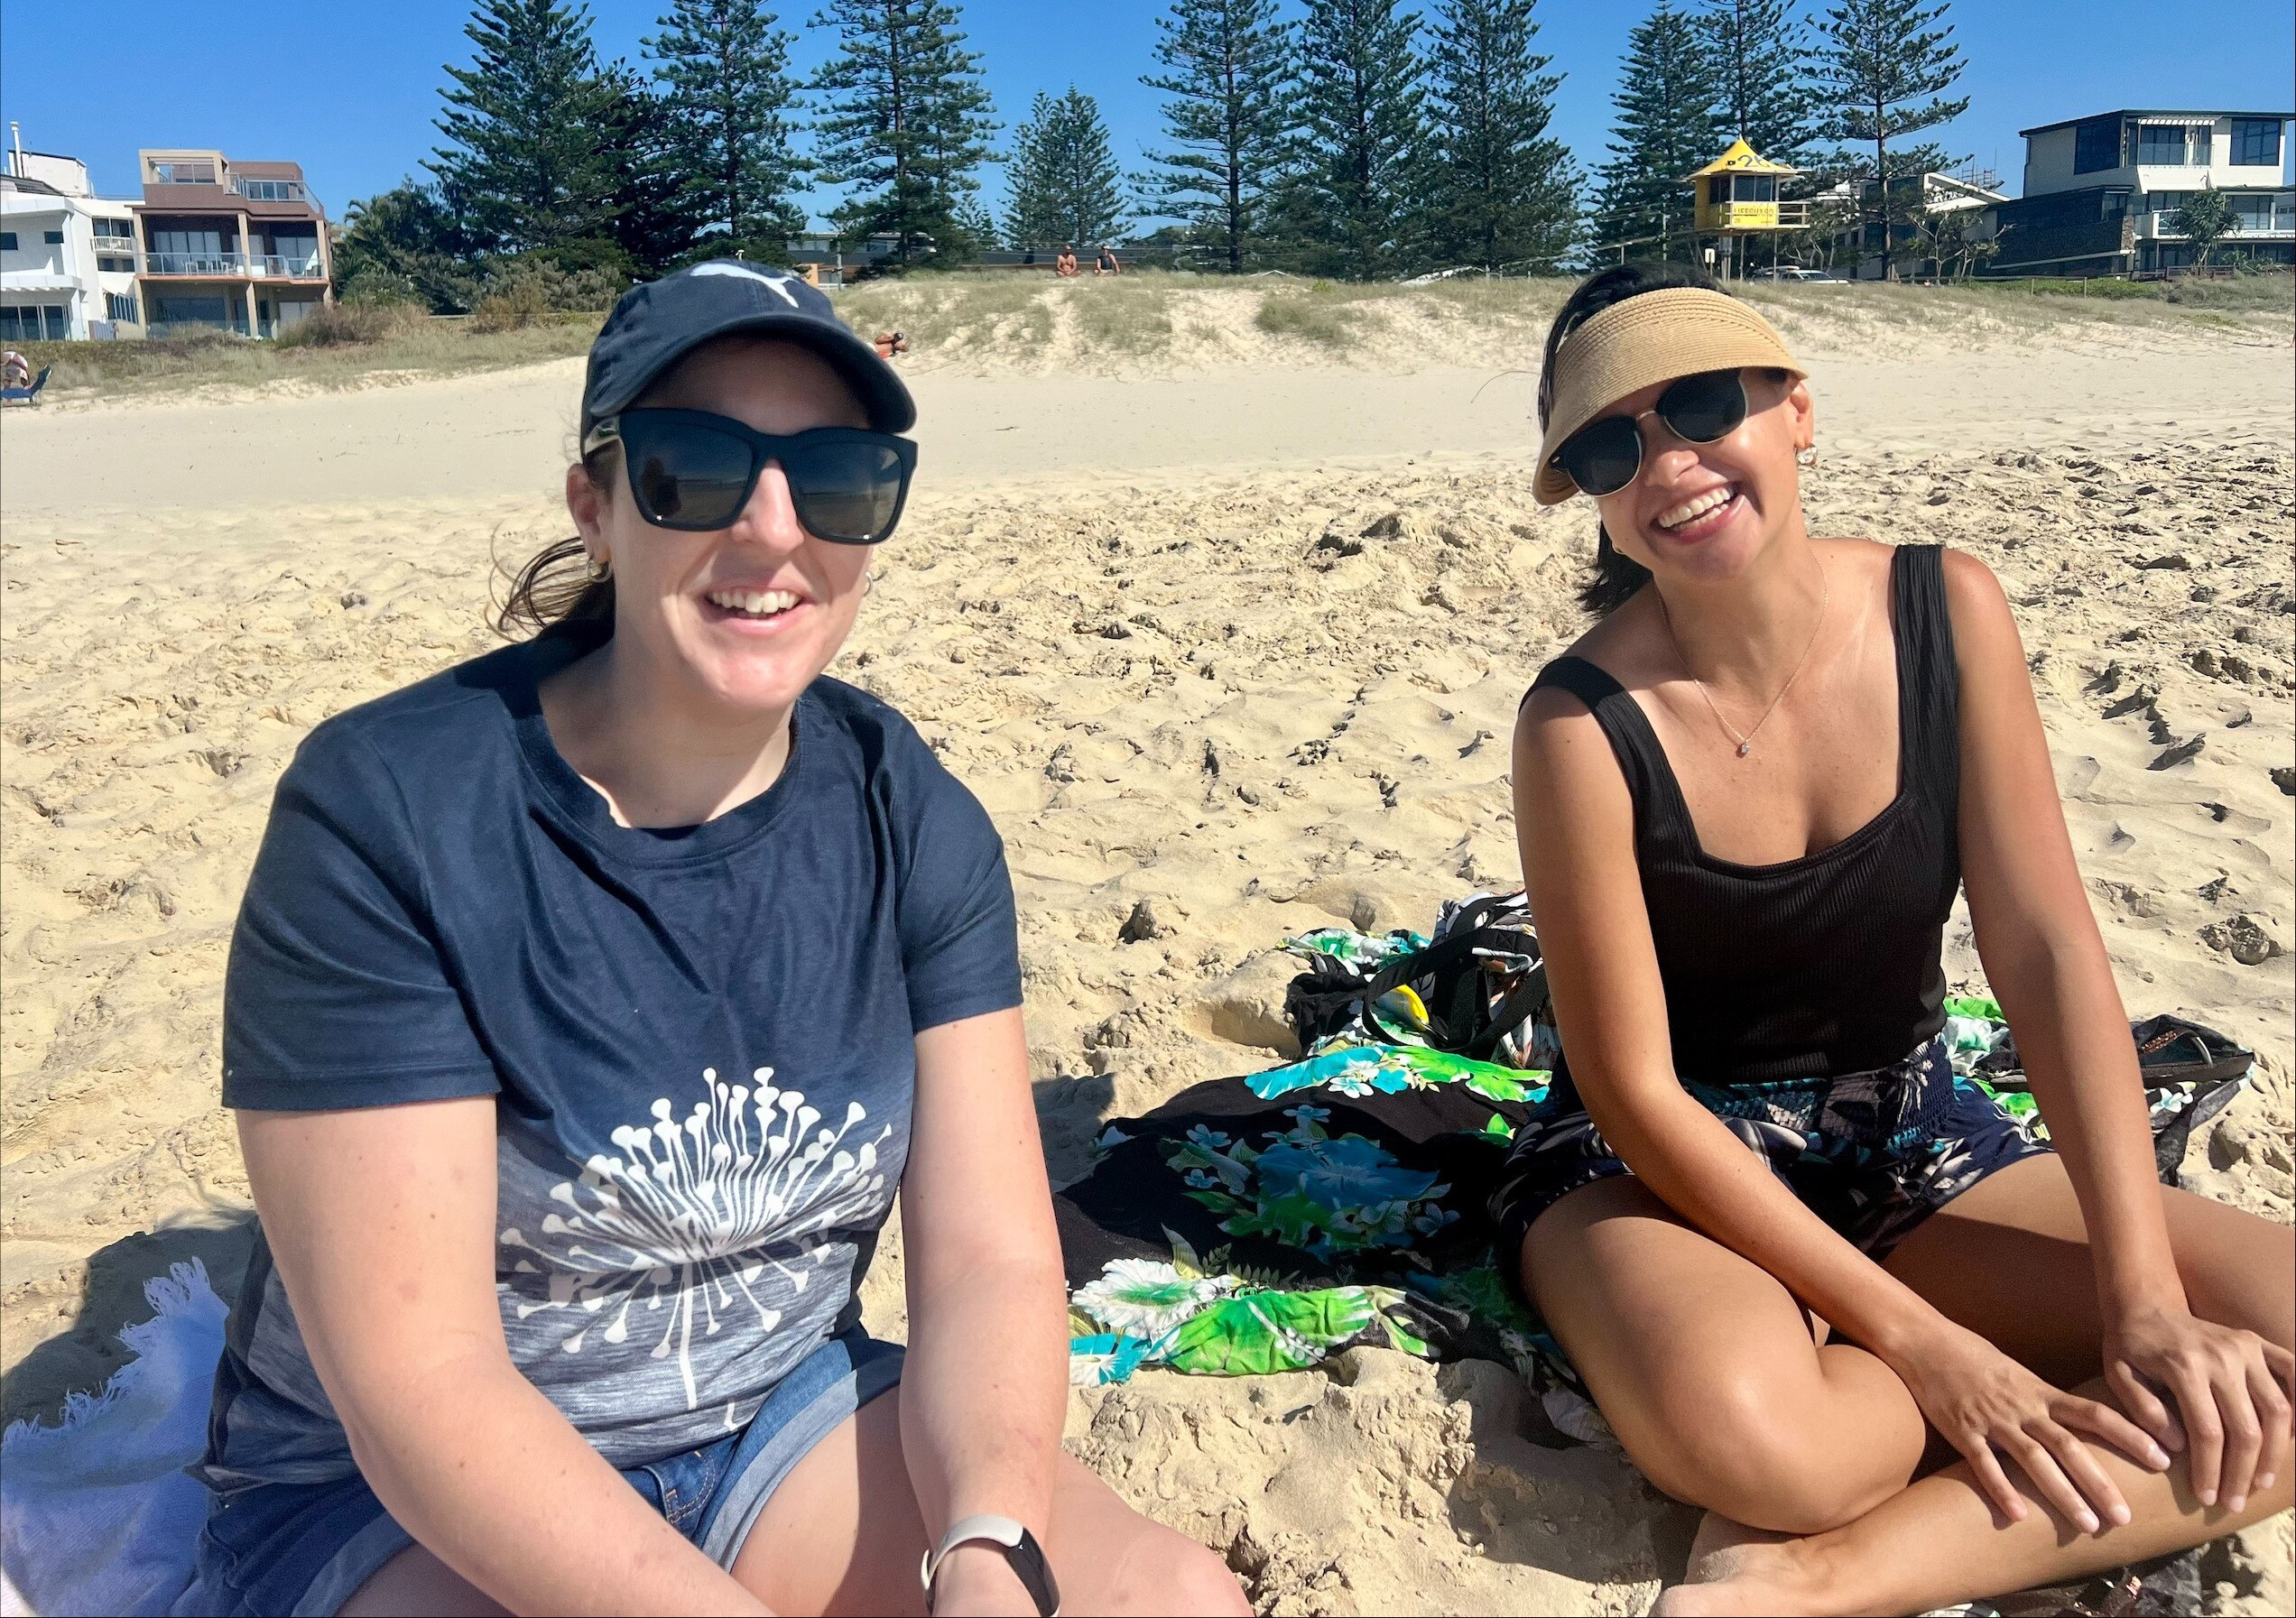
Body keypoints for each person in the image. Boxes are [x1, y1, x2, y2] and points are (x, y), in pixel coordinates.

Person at [182, 262, 1250, 1618]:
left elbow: (986, 1256)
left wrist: (988, 1550)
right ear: (597, 501)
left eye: (838, 477)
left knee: (1168, 1600)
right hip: (395, 1498)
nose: (771, 529)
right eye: (695, 468)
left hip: (773, 1419)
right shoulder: (389, 816)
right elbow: (421, 1386)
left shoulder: (905, 813)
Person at [1496, 263, 2291, 1616]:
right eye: (1614, 443)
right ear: (1594, 493)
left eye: (1699, 402)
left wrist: (2144, 1299)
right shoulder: (1579, 725)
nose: (1671, 462)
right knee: (1778, 1446)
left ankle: (1821, 1580)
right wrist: (1928, 1348)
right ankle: (1864, 1461)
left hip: (1909, 1130)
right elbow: (1632, 1092)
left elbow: (2042, 946)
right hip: (1665, 1168)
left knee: (2258, 1345)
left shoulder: (1945, 608)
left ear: (1795, 408)